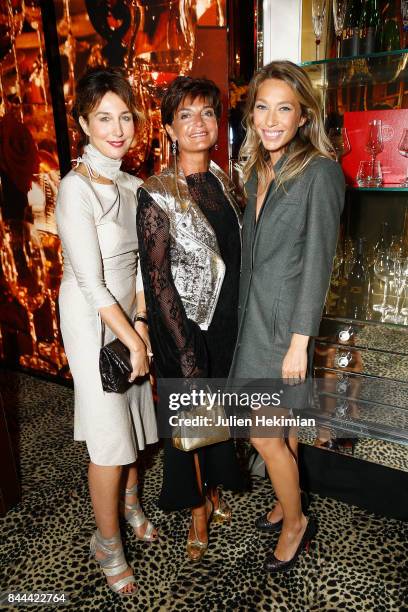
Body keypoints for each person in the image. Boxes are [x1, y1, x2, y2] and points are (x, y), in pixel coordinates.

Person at [229, 60, 345, 572]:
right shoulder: (258, 167)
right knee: (286, 425)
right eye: (262, 106)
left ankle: (296, 522)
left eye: (284, 109)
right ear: (251, 112)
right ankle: (285, 499)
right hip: (253, 319)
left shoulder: (319, 171)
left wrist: (300, 342)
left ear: (303, 116)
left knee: (263, 433)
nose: (271, 119)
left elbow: (318, 263)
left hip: (282, 329)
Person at [56, 67, 158, 597]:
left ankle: (131, 502)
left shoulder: (133, 184)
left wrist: (140, 322)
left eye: (124, 116)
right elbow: (93, 285)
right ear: (83, 123)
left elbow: (142, 267)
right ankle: (107, 541)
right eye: (104, 118)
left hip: (126, 314)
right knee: (109, 437)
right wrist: (135, 341)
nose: (117, 128)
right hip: (88, 315)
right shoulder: (74, 189)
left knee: (135, 417)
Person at [136, 76, 244, 562]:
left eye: (206, 113)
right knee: (194, 421)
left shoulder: (226, 179)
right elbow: (156, 279)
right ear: (169, 128)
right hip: (185, 327)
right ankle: (197, 509)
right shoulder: (157, 194)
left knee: (221, 415)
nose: (197, 124)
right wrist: (183, 349)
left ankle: (217, 489)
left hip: (225, 324)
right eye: (185, 115)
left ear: (218, 122)